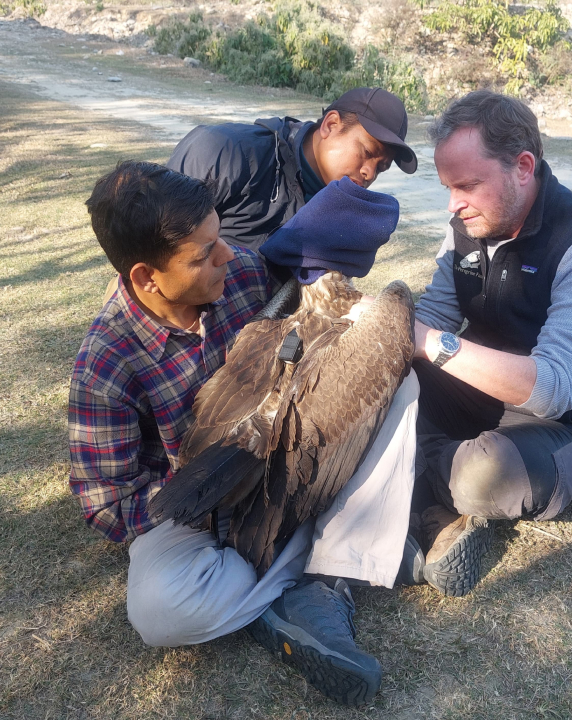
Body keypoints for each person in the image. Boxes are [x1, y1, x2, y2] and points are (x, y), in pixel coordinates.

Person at [68, 161, 419, 706]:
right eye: (202, 255)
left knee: (401, 383)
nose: (226, 256)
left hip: (291, 455)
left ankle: (325, 562)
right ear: (145, 277)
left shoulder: (246, 276)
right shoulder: (106, 365)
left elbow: (323, 309)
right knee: (160, 612)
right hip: (192, 508)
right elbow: (108, 504)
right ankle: (336, 560)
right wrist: (216, 498)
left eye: (220, 238)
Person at [401, 90, 572, 598]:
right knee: (385, 384)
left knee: (484, 477)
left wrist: (434, 345)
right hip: (480, 390)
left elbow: (554, 389)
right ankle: (435, 503)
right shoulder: (466, 227)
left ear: (523, 166)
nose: (454, 204)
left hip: (569, 422)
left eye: (467, 184)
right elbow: (432, 314)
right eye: (448, 186)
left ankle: (419, 491)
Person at [166, 86, 417, 254]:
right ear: (330, 125)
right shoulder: (226, 150)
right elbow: (160, 251)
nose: (370, 173)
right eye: (367, 153)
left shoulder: (342, 213)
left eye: (381, 168)